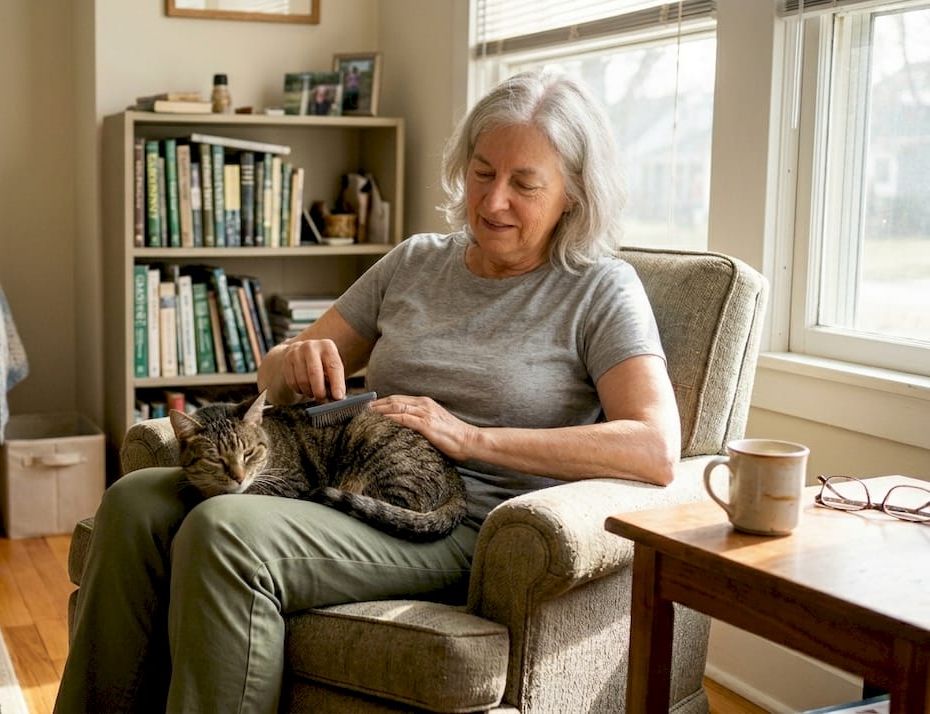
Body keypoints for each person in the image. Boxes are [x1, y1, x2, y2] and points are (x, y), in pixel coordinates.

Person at [53, 70, 680, 714]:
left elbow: (655, 447)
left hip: (465, 525)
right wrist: (292, 360)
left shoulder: (601, 289)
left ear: (573, 194)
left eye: (524, 185)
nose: (493, 202)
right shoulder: (414, 262)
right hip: (354, 483)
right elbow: (272, 380)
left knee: (225, 531)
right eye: (482, 172)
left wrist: (472, 438)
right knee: (133, 501)